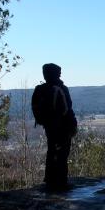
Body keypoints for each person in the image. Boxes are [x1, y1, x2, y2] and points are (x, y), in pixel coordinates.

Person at [31, 63, 77, 191]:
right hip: (63, 126)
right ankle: (61, 182)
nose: (60, 74)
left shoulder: (41, 89)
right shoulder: (61, 88)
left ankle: (50, 180)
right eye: (59, 72)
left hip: (49, 126)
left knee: (52, 151)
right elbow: (67, 109)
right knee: (62, 153)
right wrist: (72, 124)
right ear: (55, 73)